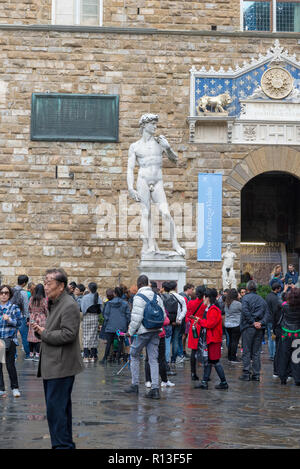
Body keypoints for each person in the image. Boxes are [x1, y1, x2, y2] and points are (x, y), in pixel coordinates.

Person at [33, 268, 83, 450]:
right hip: (53, 364)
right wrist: (41, 332)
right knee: (59, 409)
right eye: (44, 282)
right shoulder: (56, 303)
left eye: (49, 283)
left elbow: (69, 334)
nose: (45, 286)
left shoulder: (69, 305)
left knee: (56, 411)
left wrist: (44, 333)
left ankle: (62, 446)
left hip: (61, 366)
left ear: (61, 286)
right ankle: (65, 444)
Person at [127, 113, 185, 256]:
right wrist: (130, 187)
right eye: (152, 123)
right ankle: (150, 245)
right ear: (144, 125)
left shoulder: (160, 143)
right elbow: (130, 168)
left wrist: (169, 148)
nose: (155, 126)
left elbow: (175, 160)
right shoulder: (135, 146)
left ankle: (175, 244)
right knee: (145, 213)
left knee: (165, 213)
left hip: (157, 181)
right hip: (143, 180)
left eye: (155, 123)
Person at [124, 274, 166, 399]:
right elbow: (163, 315)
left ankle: (135, 385)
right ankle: (155, 388)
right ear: (147, 283)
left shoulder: (138, 297)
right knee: (153, 359)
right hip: (156, 330)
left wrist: (130, 332)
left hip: (144, 330)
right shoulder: (156, 296)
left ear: (138, 285)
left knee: (134, 354)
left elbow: (136, 317)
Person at [195, 288, 228, 390]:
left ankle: (223, 382)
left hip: (213, 339)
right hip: (211, 339)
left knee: (215, 361)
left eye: (204, 297)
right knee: (209, 361)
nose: (203, 299)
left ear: (208, 298)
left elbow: (210, 324)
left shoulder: (213, 309)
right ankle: (204, 382)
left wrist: (199, 321)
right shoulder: (210, 309)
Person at [239, 280, 270, 382]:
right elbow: (267, 314)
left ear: (247, 289)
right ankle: (256, 374)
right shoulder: (262, 299)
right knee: (256, 352)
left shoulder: (245, 298)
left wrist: (253, 322)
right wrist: (260, 323)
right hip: (258, 328)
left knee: (247, 351)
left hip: (249, 327)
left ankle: (246, 373)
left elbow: (245, 311)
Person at [0, 285, 22, 398]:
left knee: (10, 365)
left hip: (10, 340)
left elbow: (19, 323)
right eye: (2, 292)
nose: (4, 295)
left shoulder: (14, 308)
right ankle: (1, 389)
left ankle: (15, 388)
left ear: (10, 295)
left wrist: (9, 320)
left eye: (6, 293)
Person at [100, 287, 131, 364]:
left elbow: (106, 315)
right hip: (121, 326)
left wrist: (108, 322)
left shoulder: (109, 303)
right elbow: (128, 316)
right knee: (120, 343)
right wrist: (126, 324)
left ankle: (105, 358)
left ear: (115, 293)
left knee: (109, 342)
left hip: (110, 326)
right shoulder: (125, 304)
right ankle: (117, 359)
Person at [277, 288, 300, 385]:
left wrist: (284, 290)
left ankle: (283, 378)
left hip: (286, 334)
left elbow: (279, 301)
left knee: (284, 356)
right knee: (296, 357)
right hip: (297, 334)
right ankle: (298, 379)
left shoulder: (284, 306)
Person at [161, 280, 187, 366]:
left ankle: (166, 359)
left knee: (167, 341)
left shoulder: (164, 296)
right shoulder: (180, 297)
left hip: (168, 322)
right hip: (177, 322)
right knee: (176, 340)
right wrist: (179, 319)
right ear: (175, 287)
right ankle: (173, 359)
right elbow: (185, 310)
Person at [185, 285, 206, 381]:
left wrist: (195, 319)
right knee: (205, 349)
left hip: (194, 326)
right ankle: (206, 372)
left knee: (194, 351)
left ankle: (193, 373)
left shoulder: (191, 303)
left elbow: (189, 315)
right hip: (204, 326)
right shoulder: (205, 304)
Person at [81, 282, 103, 363]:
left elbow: (83, 309)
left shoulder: (85, 297)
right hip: (95, 317)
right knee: (94, 336)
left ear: (89, 288)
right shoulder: (98, 297)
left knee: (86, 335)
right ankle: (93, 355)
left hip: (87, 316)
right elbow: (101, 310)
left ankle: (86, 356)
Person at [27, 284, 48, 362]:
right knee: (39, 336)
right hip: (41, 318)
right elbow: (46, 310)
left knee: (31, 336)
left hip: (32, 317)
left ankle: (31, 354)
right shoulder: (43, 299)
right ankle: (38, 354)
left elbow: (29, 309)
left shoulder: (31, 298)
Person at [12, 275, 30, 360]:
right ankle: (27, 355)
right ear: (24, 283)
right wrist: (28, 318)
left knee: (12, 336)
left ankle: (14, 355)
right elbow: (26, 307)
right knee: (25, 336)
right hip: (21, 317)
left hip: (11, 316)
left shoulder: (10, 290)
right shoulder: (24, 293)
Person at [265, 282, 282, 366]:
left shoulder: (268, 296)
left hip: (268, 320)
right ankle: (273, 355)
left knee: (270, 337)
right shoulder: (275, 298)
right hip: (273, 320)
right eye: (279, 288)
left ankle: (271, 354)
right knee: (274, 338)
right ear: (277, 289)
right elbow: (276, 311)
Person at [224, 289, 242, 363]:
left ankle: (229, 356)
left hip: (228, 325)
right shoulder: (238, 304)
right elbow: (243, 311)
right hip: (236, 324)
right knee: (235, 341)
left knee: (231, 340)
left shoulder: (227, 303)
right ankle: (233, 357)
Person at [179, 283, 194, 360]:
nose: (192, 291)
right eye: (192, 289)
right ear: (188, 289)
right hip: (184, 319)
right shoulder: (183, 297)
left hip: (186, 319)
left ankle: (183, 351)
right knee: (183, 336)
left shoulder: (187, 297)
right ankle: (181, 351)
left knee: (185, 335)